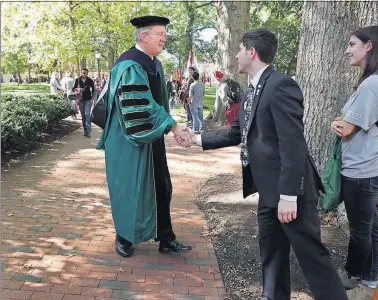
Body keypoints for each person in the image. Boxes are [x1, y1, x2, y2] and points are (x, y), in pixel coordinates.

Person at [182, 28, 348, 300]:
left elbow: (292, 144)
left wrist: (288, 196)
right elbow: (236, 134)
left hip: (290, 192)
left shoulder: (281, 85)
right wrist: (196, 139)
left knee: (312, 257)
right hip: (268, 191)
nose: (235, 55)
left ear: (251, 52)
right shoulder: (252, 89)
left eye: (238, 49)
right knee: (271, 250)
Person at [96, 15, 193, 258]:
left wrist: (169, 127)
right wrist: (172, 125)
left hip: (151, 138)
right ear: (143, 36)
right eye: (160, 34)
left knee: (161, 185)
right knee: (130, 188)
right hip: (129, 141)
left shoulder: (154, 64)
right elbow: (141, 107)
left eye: (164, 34)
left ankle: (165, 237)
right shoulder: (129, 65)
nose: (164, 38)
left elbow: (158, 103)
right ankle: (124, 238)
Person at [330, 26, 378, 298]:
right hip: (374, 165)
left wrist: (336, 122)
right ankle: (369, 277)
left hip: (364, 170)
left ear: (369, 46)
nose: (347, 50)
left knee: (361, 229)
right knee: (369, 226)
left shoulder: (373, 84)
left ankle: (353, 275)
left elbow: (345, 128)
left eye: (352, 44)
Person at [72, 68, 95, 137]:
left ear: (87, 73)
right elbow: (73, 89)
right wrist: (78, 89)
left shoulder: (90, 80)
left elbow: (93, 91)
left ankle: (89, 131)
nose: (83, 74)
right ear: (81, 73)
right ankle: (85, 130)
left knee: (87, 114)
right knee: (83, 115)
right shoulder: (78, 80)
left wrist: (92, 100)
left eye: (85, 73)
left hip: (88, 99)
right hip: (80, 100)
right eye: (82, 73)